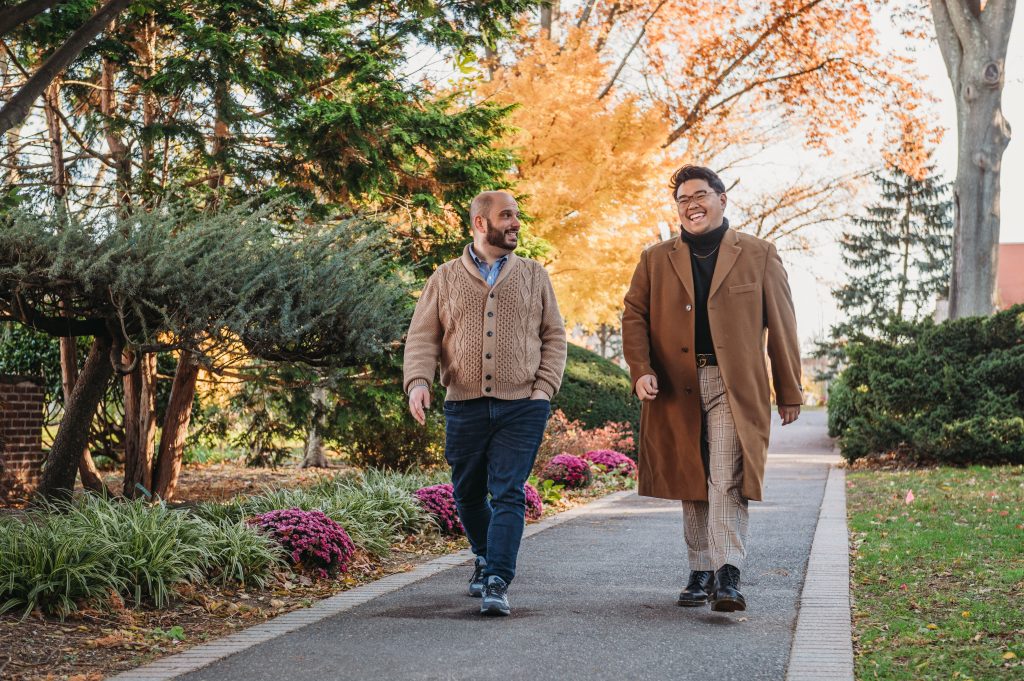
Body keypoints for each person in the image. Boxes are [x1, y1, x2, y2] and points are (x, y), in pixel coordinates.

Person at [621, 165, 802, 612]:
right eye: (682, 199)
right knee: (690, 475)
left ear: (722, 199)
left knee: (725, 478)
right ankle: (699, 569)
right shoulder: (654, 258)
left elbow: (782, 326)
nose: (691, 205)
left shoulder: (759, 254)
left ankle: (727, 573)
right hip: (674, 385)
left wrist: (790, 390)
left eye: (700, 195)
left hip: (732, 384)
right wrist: (640, 368)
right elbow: (634, 316)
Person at [403, 190, 567, 616]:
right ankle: (483, 555)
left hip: (522, 405)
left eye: (516, 216)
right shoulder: (444, 277)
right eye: (506, 216)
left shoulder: (534, 275)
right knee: (468, 494)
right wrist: (418, 381)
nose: (515, 223)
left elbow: (554, 337)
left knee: (509, 492)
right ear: (480, 223)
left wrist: (542, 392)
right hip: (464, 404)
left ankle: (497, 578)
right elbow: (423, 336)